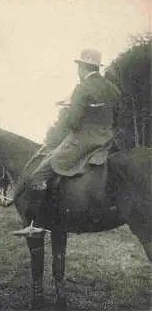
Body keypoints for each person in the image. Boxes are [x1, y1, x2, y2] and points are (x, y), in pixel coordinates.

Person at [9, 48, 121, 237]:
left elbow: (73, 123)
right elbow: (117, 117)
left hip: (82, 140)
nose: (78, 71)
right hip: (107, 141)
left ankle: (35, 224)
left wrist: (70, 109)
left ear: (83, 67)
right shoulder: (112, 88)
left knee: (40, 172)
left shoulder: (82, 88)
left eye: (79, 67)